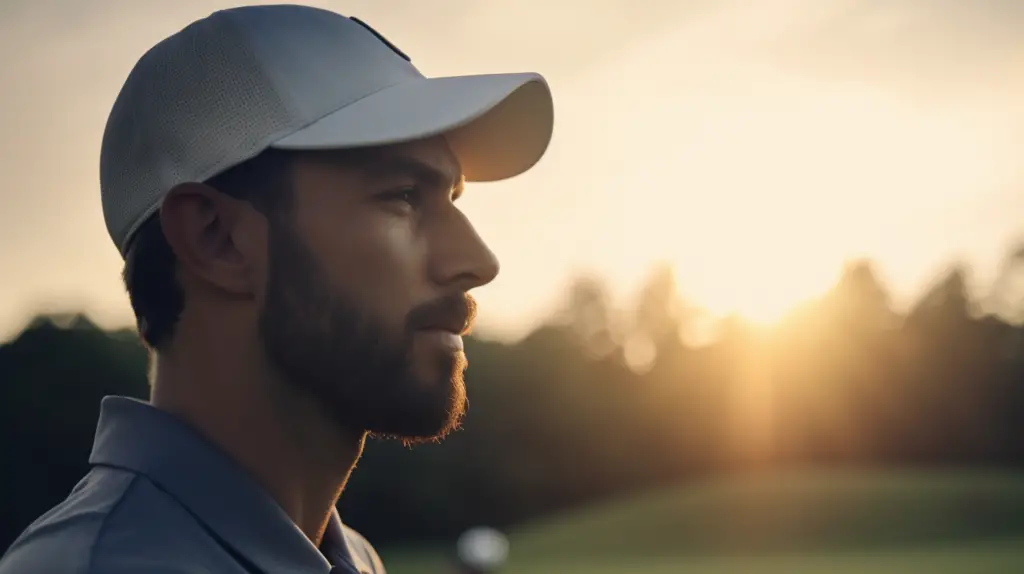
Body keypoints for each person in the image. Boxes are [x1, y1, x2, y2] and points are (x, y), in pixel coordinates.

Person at [0, 5, 553, 574]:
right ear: (217, 239)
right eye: (403, 195)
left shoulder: (352, 558)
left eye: (452, 200)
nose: (478, 262)